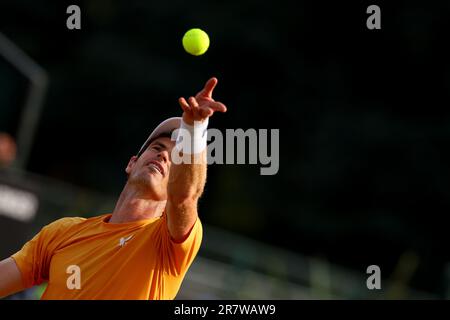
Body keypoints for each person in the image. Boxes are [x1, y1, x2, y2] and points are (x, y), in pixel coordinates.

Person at [0, 77, 227, 300]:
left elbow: (184, 197)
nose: (164, 155)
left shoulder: (168, 245)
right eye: (157, 146)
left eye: (176, 157)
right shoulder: (62, 233)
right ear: (131, 163)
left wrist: (194, 130)